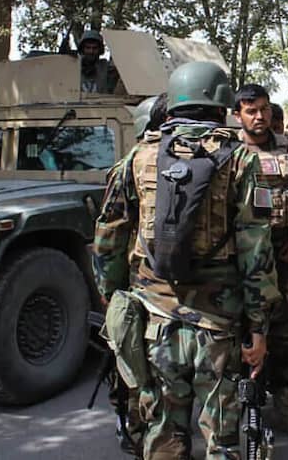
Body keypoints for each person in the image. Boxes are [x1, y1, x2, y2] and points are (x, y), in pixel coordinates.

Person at [94, 61, 280, 460]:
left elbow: (108, 236)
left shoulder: (138, 157)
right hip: (219, 326)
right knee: (223, 438)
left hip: (154, 321)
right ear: (221, 105)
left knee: (161, 430)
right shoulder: (242, 161)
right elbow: (257, 251)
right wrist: (259, 327)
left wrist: (111, 298)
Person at [232, 84, 288, 439]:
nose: (259, 116)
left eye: (264, 109)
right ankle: (238, 411)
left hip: (282, 256)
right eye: (251, 110)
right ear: (238, 114)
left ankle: (284, 407)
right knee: (239, 338)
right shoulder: (226, 150)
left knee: (283, 337)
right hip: (240, 262)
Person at [93, 93, 168, 456]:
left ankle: (138, 433)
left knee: (133, 367)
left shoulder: (129, 165)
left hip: (138, 290)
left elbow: (108, 237)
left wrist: (109, 290)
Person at [78, 29, 118, 94]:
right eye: (88, 48)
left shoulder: (108, 69)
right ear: (82, 49)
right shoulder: (73, 68)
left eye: (95, 48)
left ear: (100, 50)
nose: (91, 51)